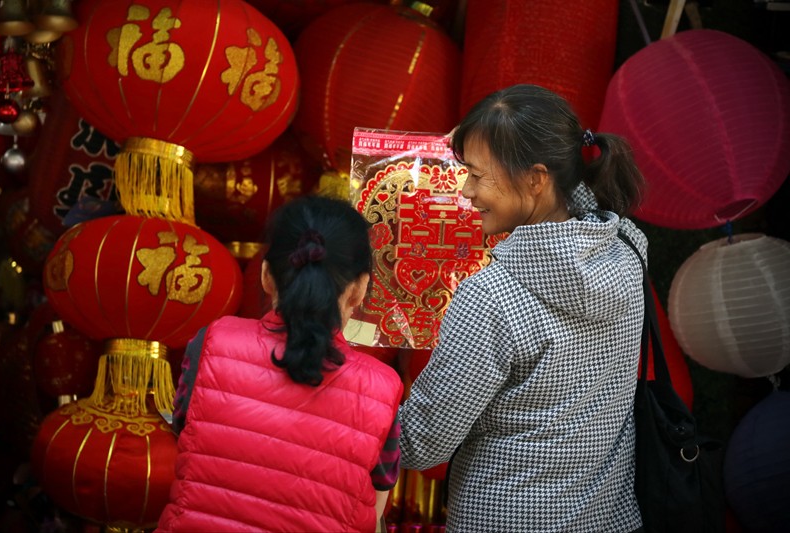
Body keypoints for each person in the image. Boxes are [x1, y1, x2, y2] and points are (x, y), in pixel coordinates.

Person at [398, 84, 648, 532]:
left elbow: (420, 445)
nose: (466, 192)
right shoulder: (630, 252)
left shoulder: (491, 297)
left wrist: (376, 385)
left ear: (535, 178)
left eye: (476, 174)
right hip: (606, 520)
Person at [157, 195, 404, 533]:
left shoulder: (212, 342)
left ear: (266, 275)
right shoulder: (382, 388)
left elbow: (186, 431)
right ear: (359, 290)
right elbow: (375, 506)